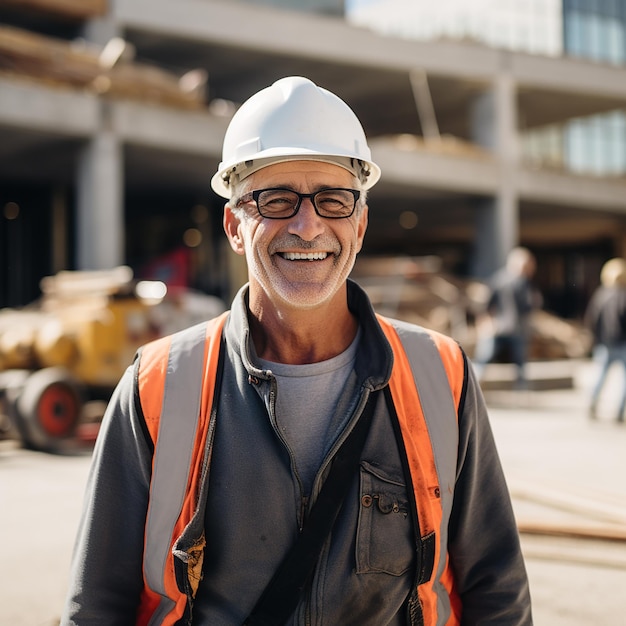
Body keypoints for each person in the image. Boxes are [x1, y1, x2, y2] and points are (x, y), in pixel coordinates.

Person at [61, 76, 532, 625]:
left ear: (360, 222)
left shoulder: (439, 374)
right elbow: (97, 606)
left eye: (333, 200)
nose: (307, 227)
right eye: (276, 199)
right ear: (234, 224)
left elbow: (496, 588)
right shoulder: (160, 384)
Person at [472, 247, 542, 388]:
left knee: (485, 357)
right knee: (519, 361)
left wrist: (486, 320)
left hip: (500, 325)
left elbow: (486, 303)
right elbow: (530, 304)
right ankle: (522, 388)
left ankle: (473, 383)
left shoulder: (498, 279)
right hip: (515, 327)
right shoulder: (523, 283)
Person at [584, 257, 626, 423]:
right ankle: (620, 411)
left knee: (601, 376)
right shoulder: (623, 295)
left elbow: (591, 320)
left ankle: (593, 404)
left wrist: (595, 339)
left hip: (604, 343)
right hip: (622, 343)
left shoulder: (600, 295)